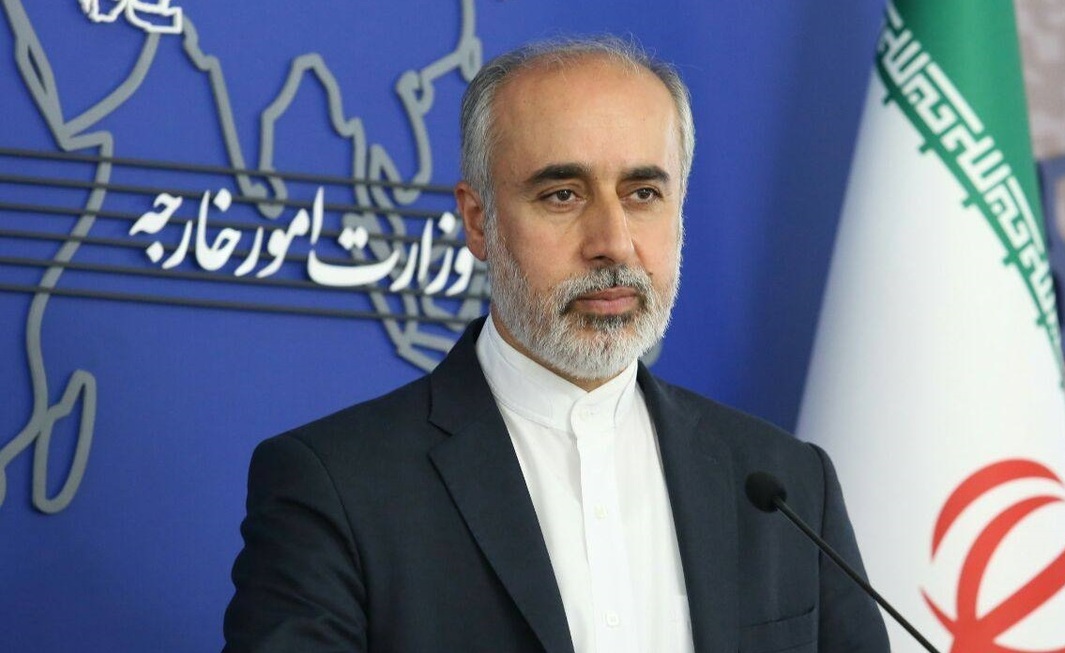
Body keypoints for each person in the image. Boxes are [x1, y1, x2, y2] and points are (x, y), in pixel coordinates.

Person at [223, 37, 889, 653]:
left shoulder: (787, 484)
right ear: (478, 221)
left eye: (644, 192)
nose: (614, 242)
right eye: (563, 194)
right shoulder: (337, 485)